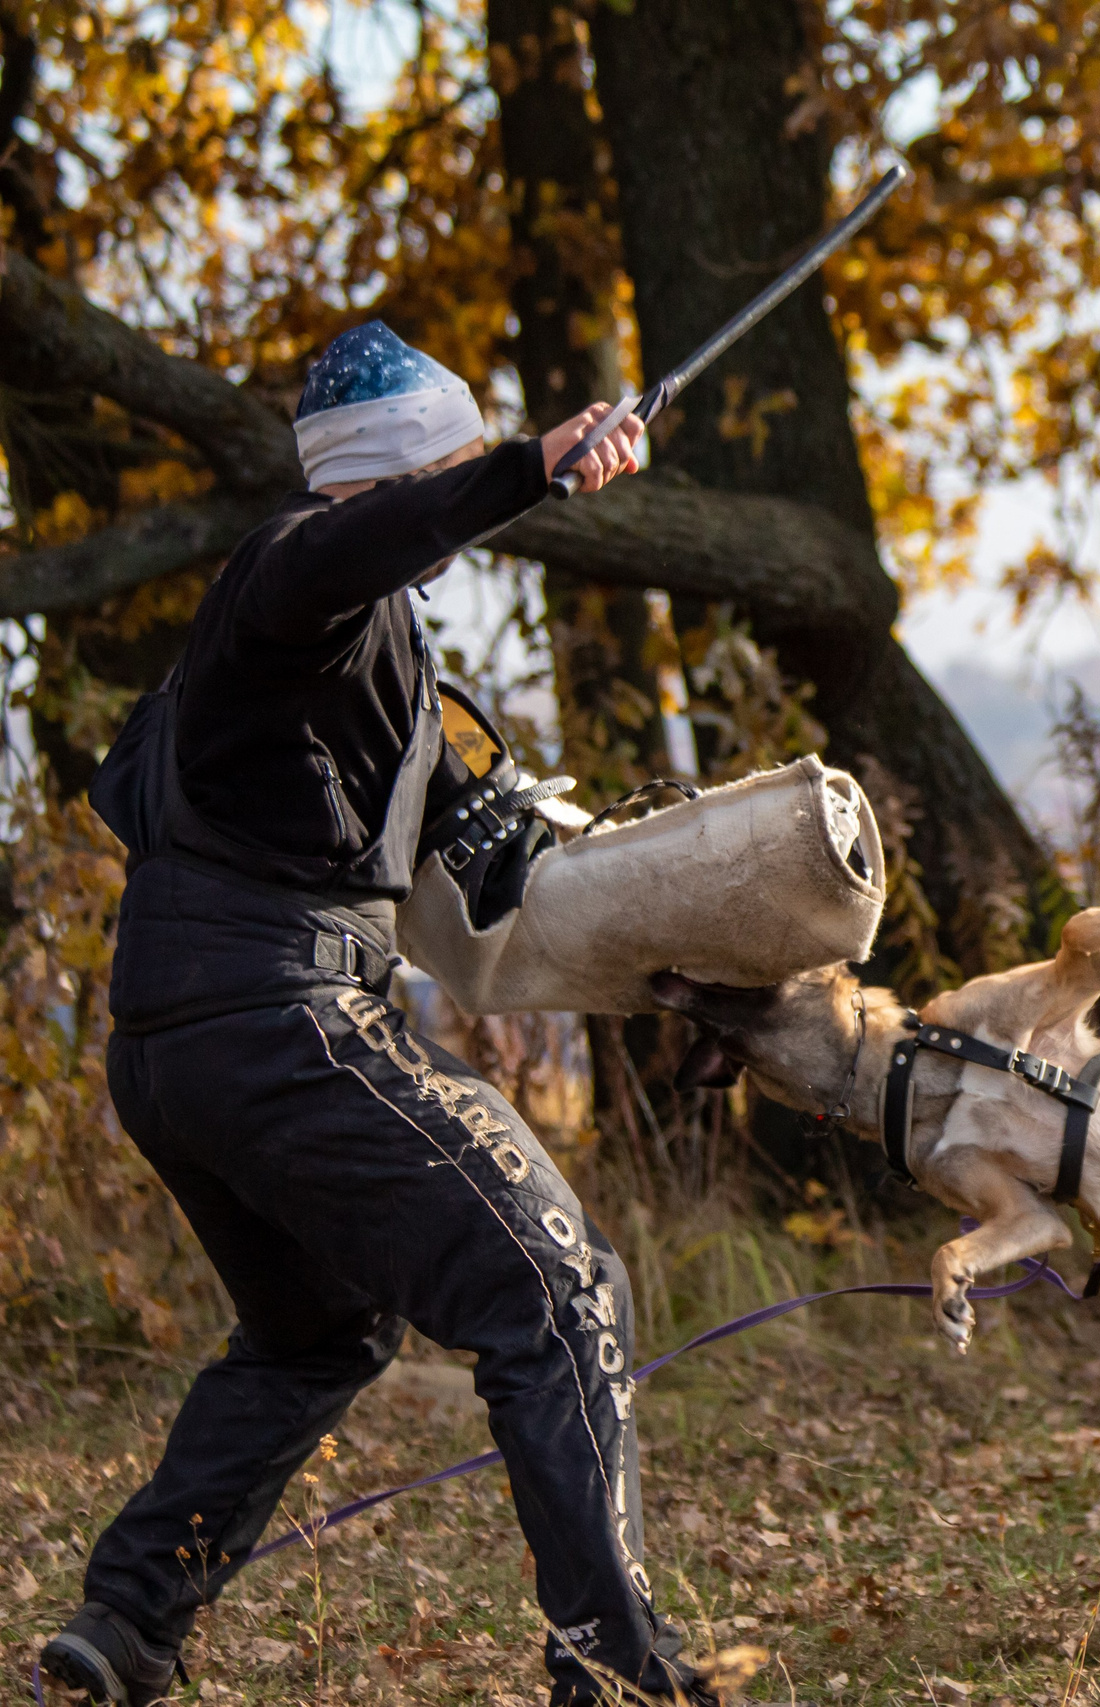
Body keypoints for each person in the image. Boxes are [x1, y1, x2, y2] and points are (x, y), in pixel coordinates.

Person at [37, 324, 710, 1705]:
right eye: (446, 468)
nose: (454, 499)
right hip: (275, 1015)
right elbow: (356, 546)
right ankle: (619, 1670)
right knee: (556, 1287)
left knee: (320, 1332)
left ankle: (124, 1625)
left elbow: (480, 855)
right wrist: (530, 463)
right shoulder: (290, 577)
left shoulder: (353, 653)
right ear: (401, 473)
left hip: (179, 1038)